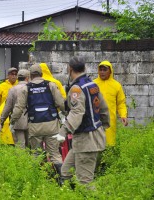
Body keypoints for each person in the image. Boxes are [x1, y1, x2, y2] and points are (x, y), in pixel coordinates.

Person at [53, 56, 110, 186]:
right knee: (65, 172)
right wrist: (103, 125)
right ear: (84, 68)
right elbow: (104, 107)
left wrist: (63, 131)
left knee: (85, 182)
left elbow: (77, 112)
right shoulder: (92, 84)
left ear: (70, 69)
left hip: (86, 139)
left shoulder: (76, 89)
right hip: (85, 138)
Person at [10, 63, 65, 175]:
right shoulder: (51, 85)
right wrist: (65, 115)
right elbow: (60, 103)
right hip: (51, 124)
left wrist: (12, 121)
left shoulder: (26, 88)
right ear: (41, 74)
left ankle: (38, 178)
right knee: (54, 153)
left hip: (35, 126)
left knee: (36, 153)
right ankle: (62, 180)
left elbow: (18, 108)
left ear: (30, 75)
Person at [93, 60, 128, 146]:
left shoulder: (116, 85)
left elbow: (121, 103)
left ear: (110, 71)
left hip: (110, 120)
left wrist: (123, 115)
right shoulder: (93, 84)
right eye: (100, 70)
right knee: (96, 143)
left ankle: (109, 158)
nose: (102, 72)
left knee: (110, 144)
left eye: (105, 70)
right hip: (95, 119)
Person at [0, 69, 30, 148]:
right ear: (27, 78)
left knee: (20, 146)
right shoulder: (31, 88)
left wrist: (2, 120)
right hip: (31, 120)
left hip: (17, 121)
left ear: (18, 77)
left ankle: (21, 160)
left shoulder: (13, 89)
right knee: (31, 146)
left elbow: (8, 107)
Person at [0, 67, 18, 144]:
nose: (14, 76)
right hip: (4, 112)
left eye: (15, 74)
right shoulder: (2, 86)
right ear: (8, 75)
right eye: (12, 74)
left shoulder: (19, 85)